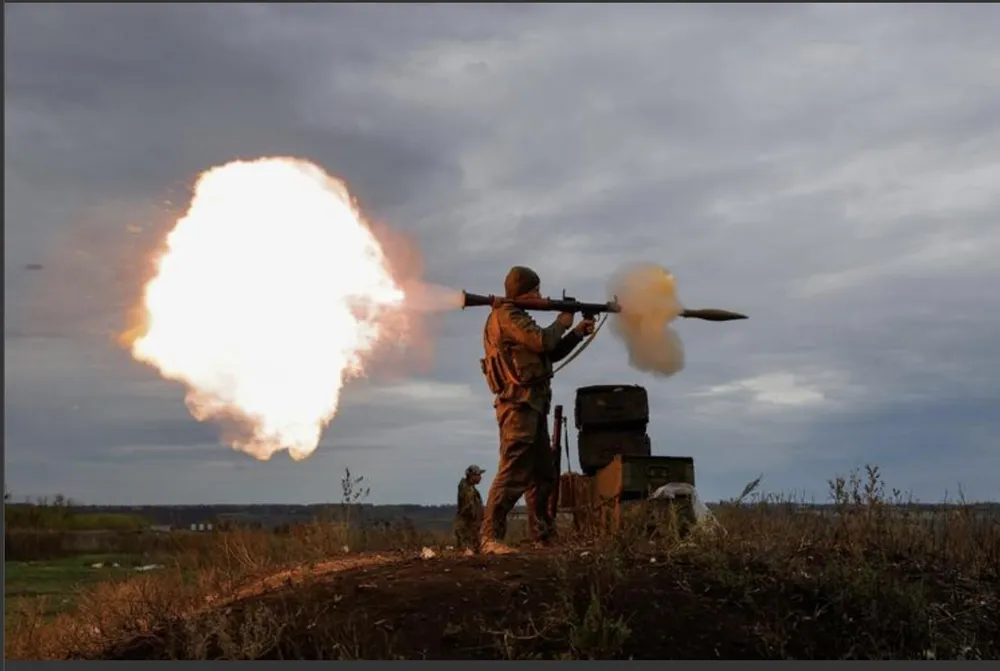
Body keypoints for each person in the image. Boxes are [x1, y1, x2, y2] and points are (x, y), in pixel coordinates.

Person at [478, 266, 596, 554]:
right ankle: (490, 537)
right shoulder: (507, 315)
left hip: (532, 404)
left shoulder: (516, 316)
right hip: (518, 404)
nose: (542, 296)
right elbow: (542, 341)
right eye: (537, 291)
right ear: (526, 292)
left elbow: (549, 352)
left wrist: (578, 331)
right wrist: (564, 320)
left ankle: (542, 536)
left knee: (543, 474)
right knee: (514, 469)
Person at [454, 464, 485, 552]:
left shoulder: (471, 488)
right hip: (467, 527)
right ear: (472, 476)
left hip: (471, 527)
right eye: (478, 475)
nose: (480, 477)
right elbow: (469, 507)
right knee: (467, 552)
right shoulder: (465, 487)